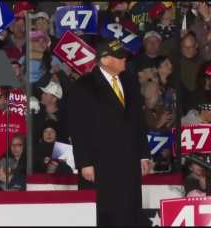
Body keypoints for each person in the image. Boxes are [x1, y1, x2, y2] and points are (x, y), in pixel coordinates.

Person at [68, 39, 150, 226]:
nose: (124, 60)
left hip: (129, 161)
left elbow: (138, 121)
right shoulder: (84, 86)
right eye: (120, 57)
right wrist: (85, 162)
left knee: (129, 211)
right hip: (100, 163)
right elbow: (78, 128)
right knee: (104, 212)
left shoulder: (130, 82)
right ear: (104, 60)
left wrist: (144, 154)